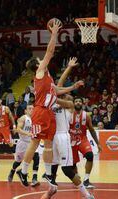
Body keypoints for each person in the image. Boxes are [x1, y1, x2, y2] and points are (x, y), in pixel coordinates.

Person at [16, 18, 84, 188]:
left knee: (47, 144)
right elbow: (50, 51)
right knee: (35, 142)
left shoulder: (47, 78)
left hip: (48, 113)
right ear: (37, 65)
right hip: (40, 111)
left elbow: (57, 91)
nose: (43, 61)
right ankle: (23, 171)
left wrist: (72, 87)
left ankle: (48, 174)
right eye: (40, 61)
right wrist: (54, 33)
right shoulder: (39, 72)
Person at [43, 57, 94, 199]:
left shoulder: (69, 105)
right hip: (51, 137)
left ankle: (86, 195)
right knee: (51, 170)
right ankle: (50, 191)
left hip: (63, 136)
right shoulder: (54, 100)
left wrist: (48, 96)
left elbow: (56, 93)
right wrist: (69, 67)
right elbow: (59, 85)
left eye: (69, 96)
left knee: (67, 169)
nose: (68, 97)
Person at [70, 96, 102, 189]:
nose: (78, 103)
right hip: (71, 141)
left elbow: (92, 130)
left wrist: (98, 143)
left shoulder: (86, 116)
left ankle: (86, 180)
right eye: (76, 101)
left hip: (82, 139)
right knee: (72, 163)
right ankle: (77, 177)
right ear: (73, 103)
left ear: (82, 103)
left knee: (90, 155)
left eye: (80, 101)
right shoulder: (68, 115)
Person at [7, 103, 40, 187]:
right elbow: (18, 129)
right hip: (23, 143)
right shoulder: (23, 118)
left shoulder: (36, 119)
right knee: (18, 162)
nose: (32, 110)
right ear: (25, 110)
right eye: (29, 108)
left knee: (36, 157)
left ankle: (34, 178)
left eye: (33, 109)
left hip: (32, 143)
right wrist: (28, 133)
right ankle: (12, 171)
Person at [0, 97, 16, 164]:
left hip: (5, 128)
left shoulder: (6, 108)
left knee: (10, 143)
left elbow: (11, 118)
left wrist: (14, 126)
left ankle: (16, 158)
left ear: (1, 101)